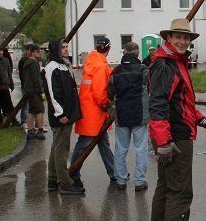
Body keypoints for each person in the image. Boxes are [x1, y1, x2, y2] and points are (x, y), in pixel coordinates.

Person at [149, 18, 206, 221]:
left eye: (186, 37)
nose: (182, 41)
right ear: (168, 38)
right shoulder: (166, 65)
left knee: (165, 189)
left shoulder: (173, 62)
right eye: (178, 37)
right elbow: (158, 103)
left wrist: (202, 120)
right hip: (174, 138)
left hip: (170, 135)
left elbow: (180, 103)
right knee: (179, 192)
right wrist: (163, 141)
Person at [71, 37, 116, 190]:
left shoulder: (91, 62)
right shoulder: (101, 66)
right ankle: (72, 174)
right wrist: (107, 106)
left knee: (103, 142)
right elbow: (99, 92)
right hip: (94, 112)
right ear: (109, 49)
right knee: (84, 144)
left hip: (89, 109)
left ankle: (114, 172)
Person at [44, 38, 84, 195]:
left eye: (67, 46)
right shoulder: (52, 67)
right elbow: (53, 93)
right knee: (62, 149)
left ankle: (52, 179)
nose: (66, 49)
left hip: (67, 113)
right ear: (56, 49)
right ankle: (65, 183)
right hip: (61, 115)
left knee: (56, 146)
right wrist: (60, 113)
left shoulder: (64, 65)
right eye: (63, 47)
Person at [109, 42, 150, 191]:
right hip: (140, 114)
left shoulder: (116, 71)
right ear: (137, 54)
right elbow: (151, 89)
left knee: (121, 148)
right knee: (141, 149)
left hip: (121, 114)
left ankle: (121, 180)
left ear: (124, 53)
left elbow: (110, 93)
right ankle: (139, 181)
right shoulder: (144, 70)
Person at [21, 44, 46, 140]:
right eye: (37, 51)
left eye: (40, 51)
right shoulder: (34, 63)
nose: (39, 53)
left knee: (31, 110)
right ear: (32, 53)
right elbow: (36, 79)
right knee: (40, 110)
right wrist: (41, 91)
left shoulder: (27, 62)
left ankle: (30, 130)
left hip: (28, 89)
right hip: (34, 90)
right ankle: (40, 130)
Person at [0, 47, 19, 126]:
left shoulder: (6, 60)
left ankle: (13, 120)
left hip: (5, 85)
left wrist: (11, 84)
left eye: (1, 51)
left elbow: (9, 73)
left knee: (9, 104)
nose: (0, 53)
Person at [17, 43, 33, 130]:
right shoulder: (23, 61)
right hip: (26, 85)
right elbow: (23, 75)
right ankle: (24, 121)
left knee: (31, 105)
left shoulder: (32, 60)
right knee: (26, 104)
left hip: (31, 86)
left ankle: (30, 122)